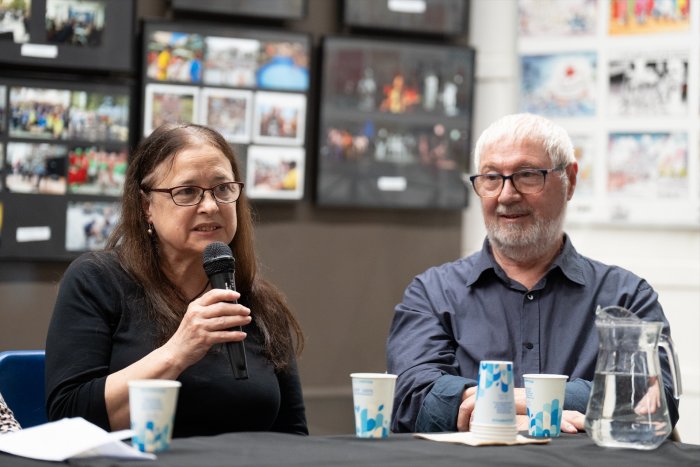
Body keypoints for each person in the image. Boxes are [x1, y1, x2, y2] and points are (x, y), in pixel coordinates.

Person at [386, 113, 679, 433]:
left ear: (570, 180)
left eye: (526, 175)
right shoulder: (432, 293)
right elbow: (411, 399)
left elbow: (653, 400)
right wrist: (542, 410)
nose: (507, 195)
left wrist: (507, 403)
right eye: (492, 177)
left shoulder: (626, 297)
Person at [46, 123, 307, 437]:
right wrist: (178, 351)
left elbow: (293, 435)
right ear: (146, 207)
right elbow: (68, 419)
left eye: (223, 189)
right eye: (187, 192)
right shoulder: (97, 280)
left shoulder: (257, 301)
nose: (210, 206)